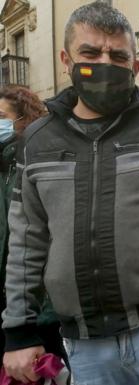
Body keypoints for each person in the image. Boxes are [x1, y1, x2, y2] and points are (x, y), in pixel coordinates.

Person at [1, 3, 139, 385]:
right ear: (65, 60)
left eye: (117, 55)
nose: (103, 63)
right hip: (85, 344)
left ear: (134, 66)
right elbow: (27, 240)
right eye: (90, 53)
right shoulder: (37, 141)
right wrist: (19, 331)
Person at [0, 87, 68, 367]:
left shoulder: (34, 162)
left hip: (37, 302)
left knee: (43, 370)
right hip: (5, 296)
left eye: (2, 115)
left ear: (23, 119)